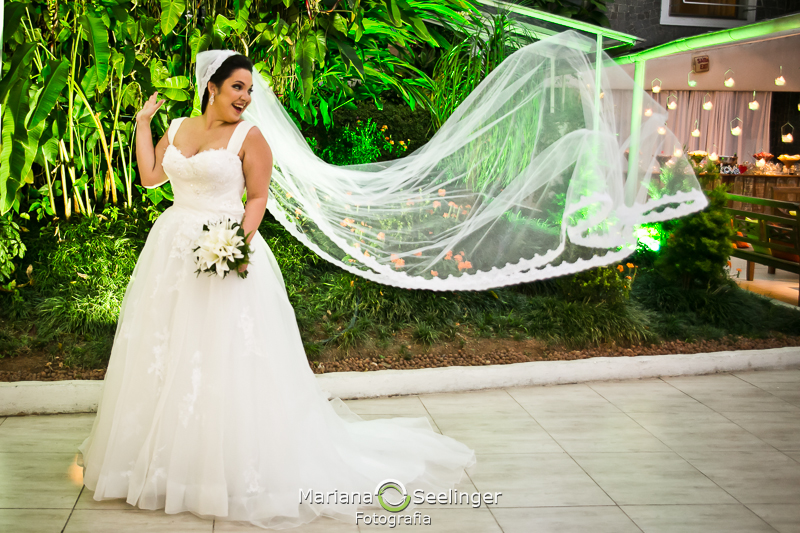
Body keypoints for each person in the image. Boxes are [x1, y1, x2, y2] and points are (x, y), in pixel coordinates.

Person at [77, 51, 477, 530]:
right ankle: (167, 466)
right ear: (212, 87)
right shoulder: (179, 127)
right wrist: (143, 124)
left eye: (249, 90)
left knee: (224, 355)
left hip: (225, 248)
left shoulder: (250, 137)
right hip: (171, 252)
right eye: (237, 87)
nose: (245, 97)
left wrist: (234, 246)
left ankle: (226, 470)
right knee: (167, 351)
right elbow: (150, 177)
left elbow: (258, 197)